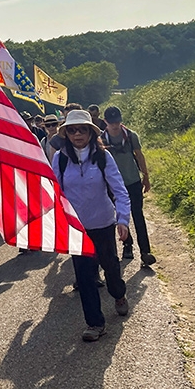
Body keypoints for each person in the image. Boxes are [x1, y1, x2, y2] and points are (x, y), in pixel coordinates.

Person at [52, 111, 132, 342]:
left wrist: (123, 220)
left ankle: (119, 295)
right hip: (77, 228)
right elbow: (56, 192)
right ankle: (95, 323)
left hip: (104, 223)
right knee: (85, 276)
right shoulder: (61, 158)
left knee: (111, 269)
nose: (77, 134)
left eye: (82, 129)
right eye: (73, 130)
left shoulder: (103, 157)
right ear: (66, 133)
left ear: (90, 132)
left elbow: (119, 191)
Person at [101, 107, 157, 269]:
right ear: (106, 122)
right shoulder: (101, 140)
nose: (115, 125)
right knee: (119, 217)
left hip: (133, 181)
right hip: (113, 186)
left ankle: (145, 252)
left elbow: (139, 156)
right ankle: (127, 245)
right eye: (112, 123)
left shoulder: (131, 136)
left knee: (138, 215)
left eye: (117, 122)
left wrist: (146, 177)